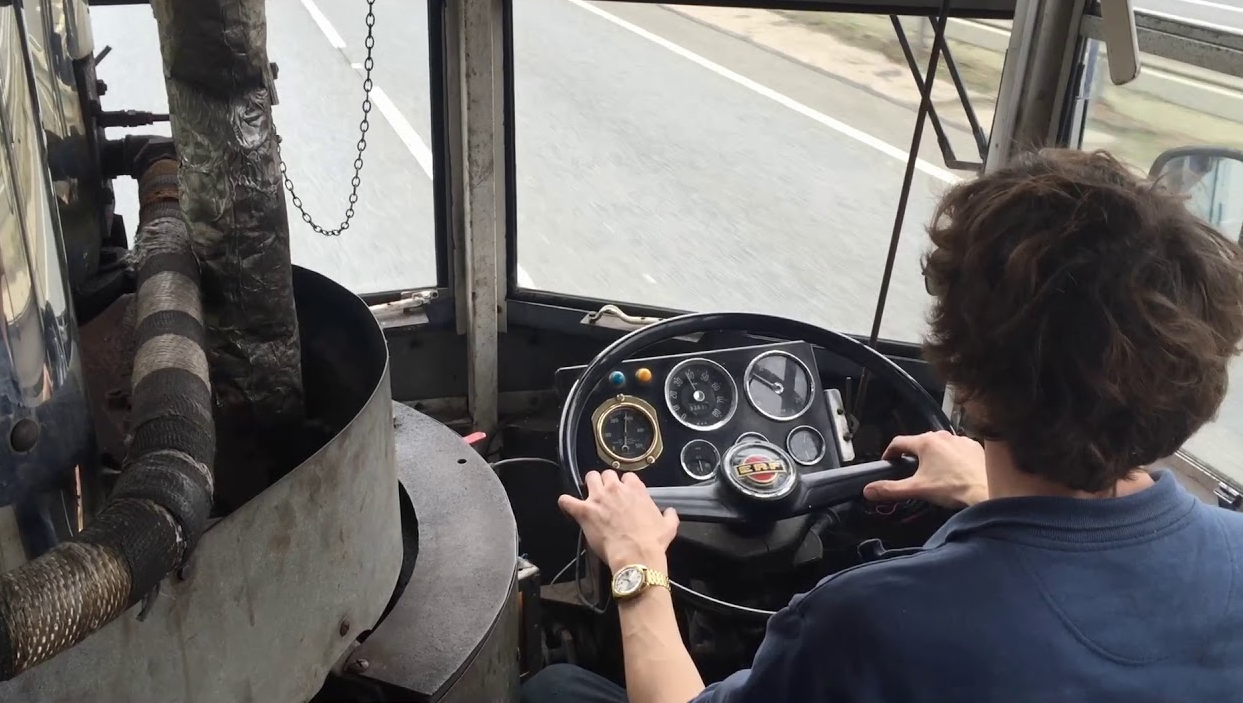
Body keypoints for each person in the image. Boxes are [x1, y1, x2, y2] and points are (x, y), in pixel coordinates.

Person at [521, 149, 1243, 703]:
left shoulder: (870, 620)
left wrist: (636, 563)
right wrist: (988, 492)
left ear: (968, 375)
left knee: (555, 688)